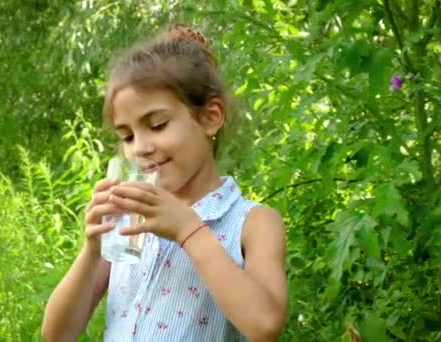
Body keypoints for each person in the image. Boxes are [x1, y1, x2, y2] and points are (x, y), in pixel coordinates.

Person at [41, 24, 288, 342]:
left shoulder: (253, 222)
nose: (139, 147)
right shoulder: (130, 221)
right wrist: (92, 249)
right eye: (127, 136)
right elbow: (57, 335)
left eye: (157, 125)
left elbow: (265, 325)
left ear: (211, 117)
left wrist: (188, 230)